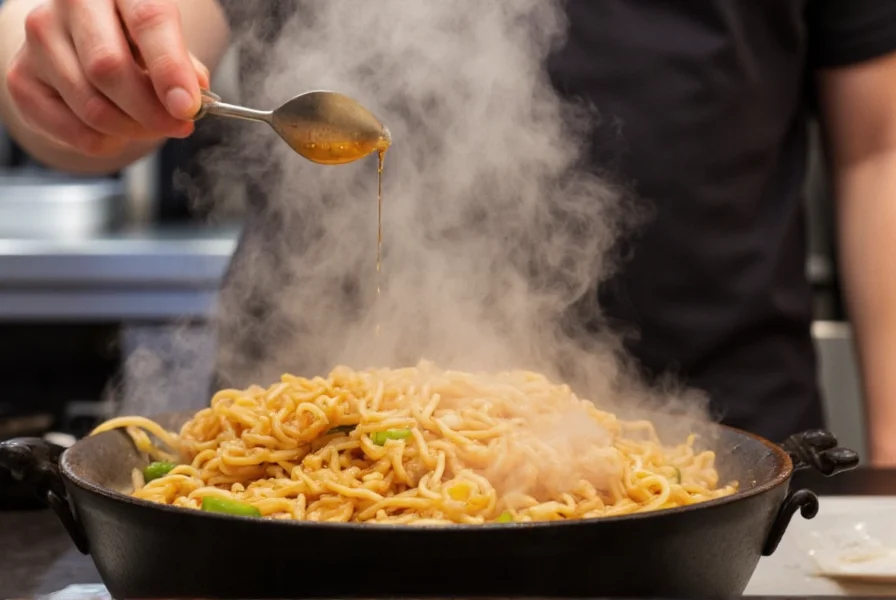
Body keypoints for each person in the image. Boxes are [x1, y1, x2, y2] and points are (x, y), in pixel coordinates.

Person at [2, 0, 895, 462]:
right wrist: (84, 80)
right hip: (287, 484)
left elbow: (880, 148)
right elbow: (119, 63)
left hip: (724, 479)